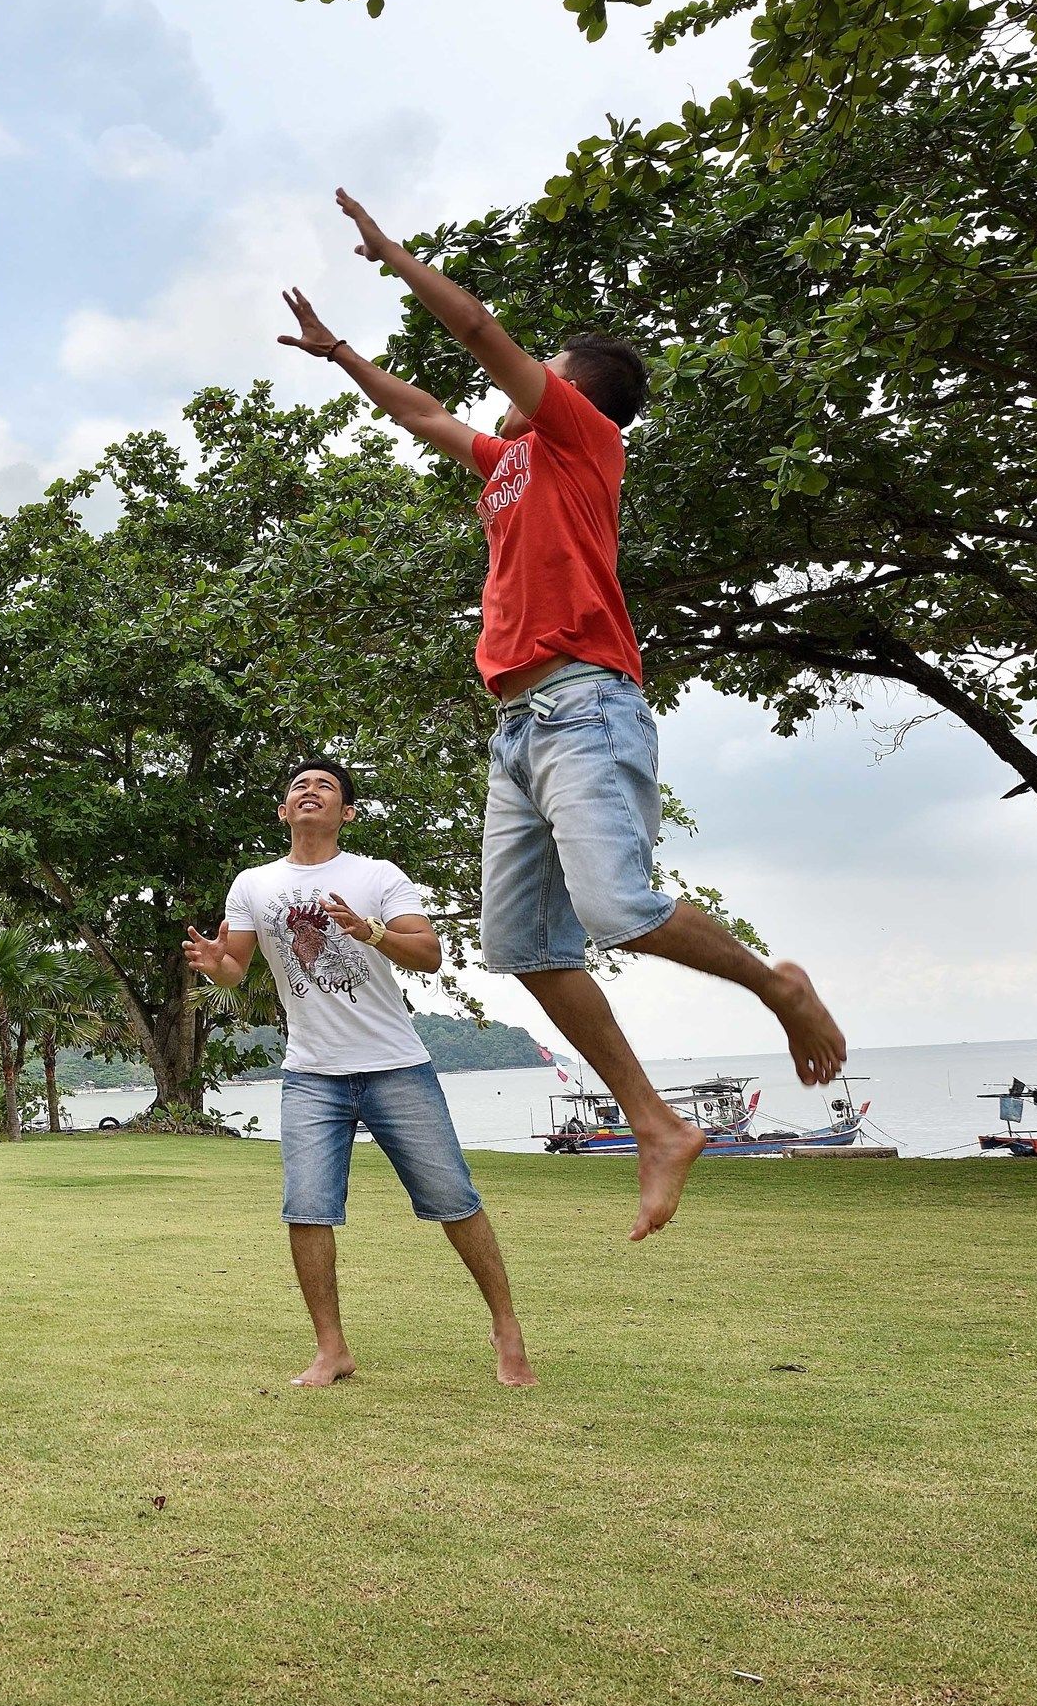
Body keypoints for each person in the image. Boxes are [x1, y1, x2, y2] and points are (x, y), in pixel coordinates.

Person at [283, 191, 848, 1239]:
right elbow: (423, 413)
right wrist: (344, 356)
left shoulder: (581, 437)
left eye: (535, 369)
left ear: (572, 387)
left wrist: (396, 256)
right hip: (516, 727)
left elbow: (478, 331)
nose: (502, 383)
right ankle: (656, 1123)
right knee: (521, 947)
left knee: (618, 909)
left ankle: (780, 989)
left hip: (586, 703)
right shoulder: (509, 466)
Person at [183, 759, 534, 1388]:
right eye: (297, 787)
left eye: (325, 786)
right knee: (307, 1209)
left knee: (454, 1200)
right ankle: (332, 1349)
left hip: (396, 1067)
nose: (308, 791)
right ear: (284, 812)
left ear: (346, 812)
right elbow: (236, 966)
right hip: (311, 1074)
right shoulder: (253, 884)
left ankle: (506, 1328)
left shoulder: (377, 876)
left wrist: (370, 931)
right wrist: (216, 965)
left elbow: (428, 953)